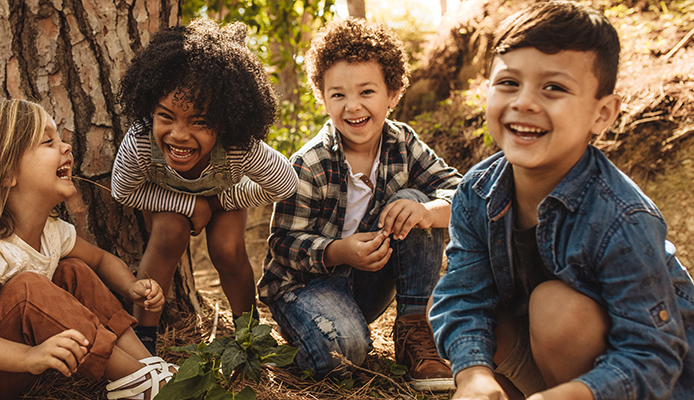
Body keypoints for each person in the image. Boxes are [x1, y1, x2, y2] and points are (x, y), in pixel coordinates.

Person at [429, 2, 694, 399]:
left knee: (556, 309)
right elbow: (463, 296)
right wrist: (473, 375)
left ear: (602, 114)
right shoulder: (477, 192)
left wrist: (574, 394)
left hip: (646, 382)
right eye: (509, 83)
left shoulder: (622, 216)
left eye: (553, 87)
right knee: (470, 308)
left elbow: (651, 355)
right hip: (547, 360)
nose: (525, 103)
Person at [0, 100, 175, 400]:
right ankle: (136, 381)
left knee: (74, 271)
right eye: (48, 141)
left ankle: (146, 366)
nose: (66, 147)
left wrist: (131, 285)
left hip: (8, 368)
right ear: (6, 173)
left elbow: (99, 259)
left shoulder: (51, 231)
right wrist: (28, 358)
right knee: (28, 289)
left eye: (59, 138)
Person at [258, 18, 462, 391]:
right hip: (306, 287)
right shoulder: (309, 163)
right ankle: (319, 332)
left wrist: (429, 212)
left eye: (367, 92)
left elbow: (461, 192)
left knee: (413, 202)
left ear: (394, 93)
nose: (353, 107)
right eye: (338, 95)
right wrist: (339, 252)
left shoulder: (403, 143)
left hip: (368, 282)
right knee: (345, 353)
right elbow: (283, 244)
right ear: (322, 97)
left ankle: (414, 328)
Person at [111, 19, 297, 354]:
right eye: (166, 116)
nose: (179, 134)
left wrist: (224, 198)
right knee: (168, 233)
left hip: (223, 197)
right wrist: (188, 205)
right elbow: (123, 191)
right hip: (167, 201)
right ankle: (143, 343)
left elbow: (284, 183)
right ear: (150, 109)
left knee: (227, 250)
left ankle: (249, 335)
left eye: (199, 122)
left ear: (225, 123)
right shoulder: (140, 142)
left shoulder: (239, 147)